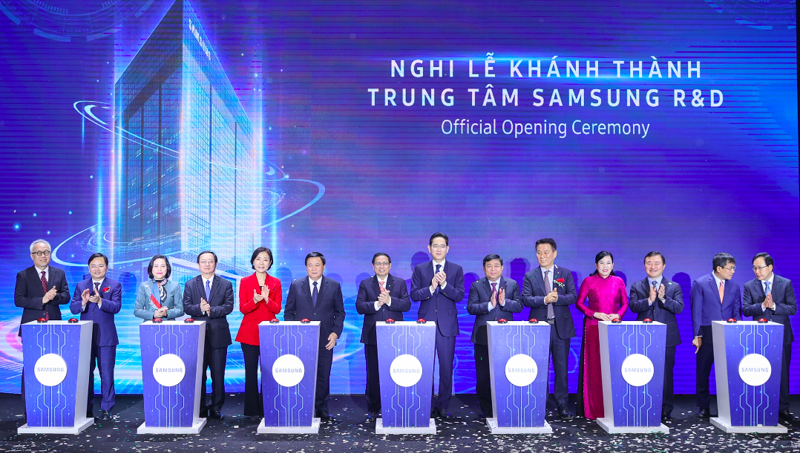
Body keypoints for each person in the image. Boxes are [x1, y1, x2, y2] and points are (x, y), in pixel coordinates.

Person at [284, 252, 345, 422]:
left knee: (323, 375)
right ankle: (302, 406)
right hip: (301, 340)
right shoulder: (296, 285)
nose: (313, 268)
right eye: (310, 265)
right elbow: (289, 312)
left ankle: (322, 408)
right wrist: (292, 333)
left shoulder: (333, 285)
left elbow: (340, 313)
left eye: (317, 264)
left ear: (323, 266)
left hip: (325, 339)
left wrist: (335, 333)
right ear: (306, 267)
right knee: (301, 374)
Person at [410, 232, 465, 419]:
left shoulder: (456, 269)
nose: (439, 249)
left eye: (442, 246)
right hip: (425, 324)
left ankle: (442, 405)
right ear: (429, 248)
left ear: (447, 249)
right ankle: (425, 402)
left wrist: (444, 285)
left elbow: (458, 296)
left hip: (447, 325)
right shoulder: (420, 269)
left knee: (446, 367)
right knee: (425, 366)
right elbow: (415, 295)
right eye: (435, 245)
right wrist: (431, 288)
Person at [521, 238, 577, 421]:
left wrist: (556, 298)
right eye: (539, 252)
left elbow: (572, 297)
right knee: (538, 368)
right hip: (539, 329)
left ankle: (562, 404)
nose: (542, 255)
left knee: (561, 368)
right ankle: (539, 404)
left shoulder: (565, 273)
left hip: (560, 328)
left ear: (554, 253)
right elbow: (526, 300)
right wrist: (545, 300)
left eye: (546, 252)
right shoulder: (530, 276)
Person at [14, 239, 70, 413]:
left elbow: (66, 296)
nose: (43, 256)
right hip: (32, 326)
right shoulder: (23, 275)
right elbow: (19, 300)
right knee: (31, 365)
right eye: (39, 253)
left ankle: (54, 402)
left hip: (54, 325)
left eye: (46, 252)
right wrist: (42, 300)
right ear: (32, 256)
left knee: (56, 363)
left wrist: (54, 297)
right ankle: (29, 406)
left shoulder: (59, 273)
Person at [628, 251, 683, 422]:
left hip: (667, 337)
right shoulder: (637, 285)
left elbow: (679, 308)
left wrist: (663, 299)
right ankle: (644, 404)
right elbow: (633, 307)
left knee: (666, 373)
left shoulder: (673, 286)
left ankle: (666, 408)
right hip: (643, 336)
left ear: (663, 266)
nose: (653, 266)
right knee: (643, 372)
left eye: (656, 263)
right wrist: (650, 300)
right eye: (649, 263)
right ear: (644, 265)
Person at [355, 252, 411, 419]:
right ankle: (374, 408)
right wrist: (377, 304)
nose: (381, 266)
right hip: (372, 335)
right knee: (373, 372)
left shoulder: (399, 283)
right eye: (378, 263)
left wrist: (390, 301)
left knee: (395, 371)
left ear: (390, 265)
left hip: (395, 335)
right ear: (373, 266)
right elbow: (359, 306)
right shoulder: (366, 284)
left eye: (385, 263)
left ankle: (395, 404)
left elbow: (407, 304)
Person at [742, 253, 796, 423]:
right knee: (758, 372)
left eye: (760, 267)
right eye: (754, 268)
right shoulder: (749, 286)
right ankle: (760, 405)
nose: (757, 271)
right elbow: (746, 310)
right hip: (758, 336)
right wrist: (761, 306)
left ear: (770, 267)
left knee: (782, 373)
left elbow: (792, 308)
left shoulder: (785, 283)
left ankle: (783, 408)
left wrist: (772, 306)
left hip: (782, 335)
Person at [467, 254, 522, 419]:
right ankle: (487, 409)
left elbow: (519, 306)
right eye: (489, 266)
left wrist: (504, 303)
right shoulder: (477, 286)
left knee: (506, 373)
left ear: (502, 267)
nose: (493, 269)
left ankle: (505, 406)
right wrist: (489, 305)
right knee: (483, 376)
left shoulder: (511, 284)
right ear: (484, 268)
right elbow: (471, 308)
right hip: (483, 337)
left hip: (506, 337)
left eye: (496, 265)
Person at [575, 251, 628, 420]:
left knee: (613, 367)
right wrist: (593, 314)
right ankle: (593, 409)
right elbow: (579, 303)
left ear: (613, 265)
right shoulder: (589, 281)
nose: (605, 266)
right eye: (602, 263)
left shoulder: (618, 281)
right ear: (596, 265)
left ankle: (614, 407)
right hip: (593, 327)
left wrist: (618, 315)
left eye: (608, 263)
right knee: (594, 367)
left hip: (613, 327)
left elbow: (625, 303)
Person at [69, 253, 122, 420]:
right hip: (85, 337)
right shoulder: (81, 285)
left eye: (100, 265)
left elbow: (116, 307)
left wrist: (100, 301)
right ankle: (87, 407)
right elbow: (73, 308)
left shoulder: (114, 285)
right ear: (88, 267)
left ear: (106, 267)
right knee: (86, 373)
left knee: (106, 373)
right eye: (93, 265)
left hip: (106, 336)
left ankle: (107, 407)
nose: (97, 269)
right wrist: (83, 302)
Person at [183, 251, 235, 420]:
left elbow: (228, 307)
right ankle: (200, 406)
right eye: (203, 262)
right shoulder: (190, 284)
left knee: (218, 374)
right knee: (199, 374)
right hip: (197, 336)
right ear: (198, 264)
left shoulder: (226, 284)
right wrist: (200, 308)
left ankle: (216, 407)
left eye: (210, 261)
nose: (207, 264)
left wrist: (210, 310)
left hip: (219, 335)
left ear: (215, 264)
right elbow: (187, 307)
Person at [690, 252, 741, 419]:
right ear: (719, 268)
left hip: (728, 331)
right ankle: (704, 407)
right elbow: (696, 311)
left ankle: (727, 406)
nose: (733, 271)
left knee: (729, 371)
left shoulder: (734, 286)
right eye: (730, 268)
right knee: (703, 371)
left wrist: (737, 331)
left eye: (733, 268)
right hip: (707, 331)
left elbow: (736, 312)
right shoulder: (701, 283)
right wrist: (697, 335)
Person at [235, 247, 282, 421]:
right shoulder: (246, 282)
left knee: (269, 372)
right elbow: (242, 309)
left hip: (269, 332)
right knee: (251, 372)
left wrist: (267, 299)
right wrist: (255, 300)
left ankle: (268, 407)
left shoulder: (275, 282)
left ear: (270, 263)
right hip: (249, 332)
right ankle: (252, 410)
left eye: (265, 259)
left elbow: (277, 308)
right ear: (253, 261)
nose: (261, 262)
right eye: (258, 259)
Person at [133, 255, 184, 321]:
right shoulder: (144, 286)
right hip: (149, 326)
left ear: (167, 268)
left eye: (163, 266)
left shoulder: (175, 286)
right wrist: (154, 315)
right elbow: (137, 311)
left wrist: (166, 313)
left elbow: (180, 310)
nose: (159, 269)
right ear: (151, 268)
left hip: (168, 326)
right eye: (156, 266)